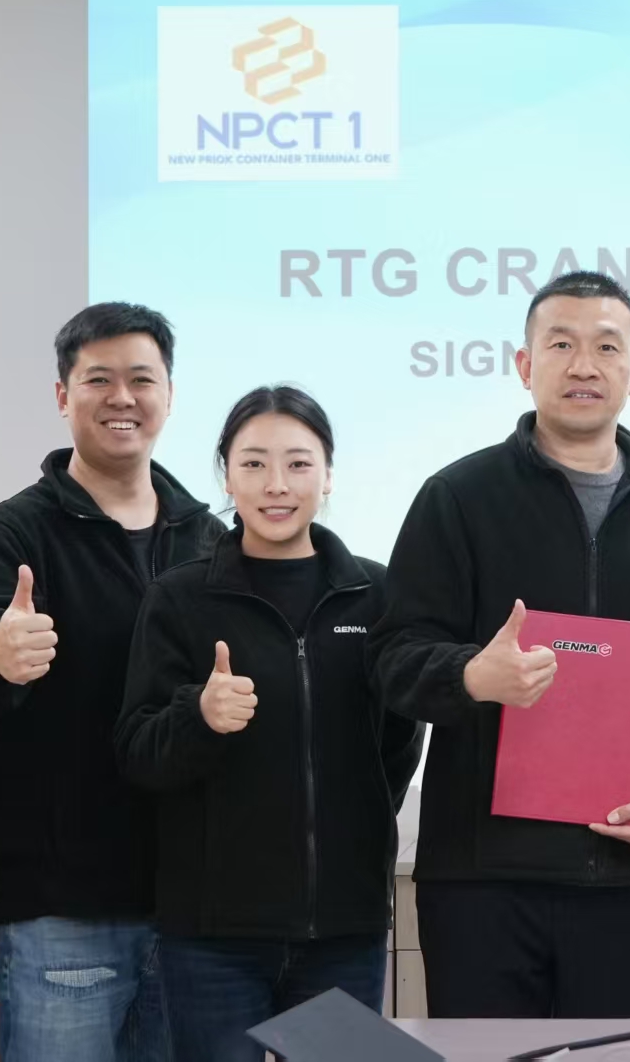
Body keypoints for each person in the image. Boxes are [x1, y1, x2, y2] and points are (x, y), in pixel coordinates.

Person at [367, 269, 630, 1020]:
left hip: (628, 875)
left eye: (606, 347)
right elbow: (392, 658)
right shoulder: (458, 497)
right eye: (561, 344)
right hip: (481, 883)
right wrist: (472, 675)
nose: (583, 365)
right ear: (524, 364)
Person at [0, 303, 214, 1062]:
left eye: (142, 379)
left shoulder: (210, 537)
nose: (123, 398)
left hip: (193, 906)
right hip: (63, 908)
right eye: (98, 380)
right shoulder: (16, 532)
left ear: (170, 395)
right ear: (63, 396)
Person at [118, 385, 423, 1062]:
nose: (276, 484)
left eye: (298, 463)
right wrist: (199, 716)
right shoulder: (181, 598)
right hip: (213, 937)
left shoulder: (375, 596)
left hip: (345, 930)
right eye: (253, 463)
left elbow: (398, 742)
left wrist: (356, 820)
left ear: (328, 474)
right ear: (226, 476)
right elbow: (137, 751)